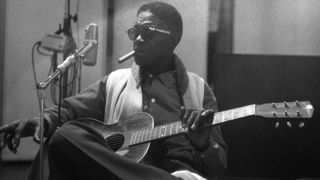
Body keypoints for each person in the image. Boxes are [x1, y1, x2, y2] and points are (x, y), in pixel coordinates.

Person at [0, 2, 227, 180]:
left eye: (148, 32)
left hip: (179, 172)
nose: (138, 39)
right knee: (63, 135)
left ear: (173, 39)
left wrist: (203, 144)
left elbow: (218, 167)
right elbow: (69, 110)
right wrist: (44, 120)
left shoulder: (198, 89)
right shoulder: (115, 81)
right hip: (116, 171)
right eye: (135, 31)